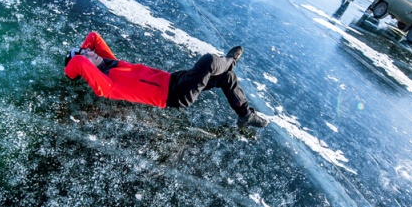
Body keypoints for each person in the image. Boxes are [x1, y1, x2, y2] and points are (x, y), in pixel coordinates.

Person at [64, 32, 269, 128]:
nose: (90, 53)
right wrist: (73, 68)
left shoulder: (109, 62)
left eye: (88, 52)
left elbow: (93, 37)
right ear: (85, 67)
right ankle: (231, 60)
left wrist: (84, 52)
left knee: (226, 77)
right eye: (86, 55)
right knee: (209, 61)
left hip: (174, 79)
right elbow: (79, 63)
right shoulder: (106, 85)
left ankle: (245, 115)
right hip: (175, 95)